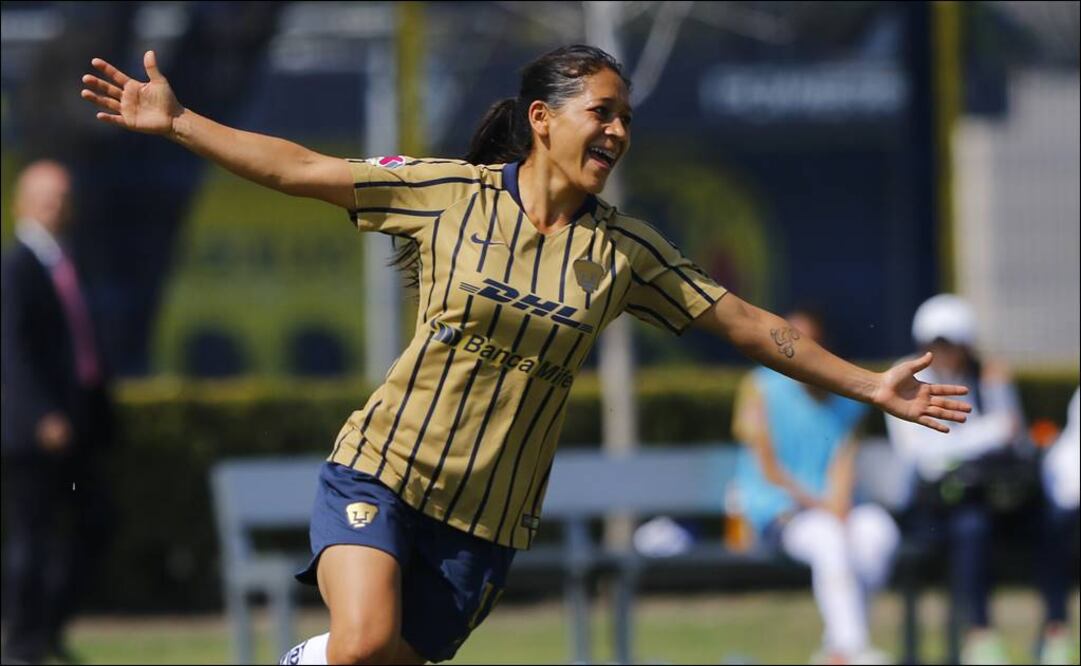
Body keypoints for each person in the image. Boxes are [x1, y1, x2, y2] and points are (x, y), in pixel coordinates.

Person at [81, 45, 971, 665]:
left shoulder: (623, 253)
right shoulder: (442, 192)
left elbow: (743, 322)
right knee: (355, 645)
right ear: (542, 119)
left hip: (485, 526)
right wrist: (180, 122)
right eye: (602, 113)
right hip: (380, 470)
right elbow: (298, 167)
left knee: (384, 661)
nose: (618, 133)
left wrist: (869, 385)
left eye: (626, 118)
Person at [886, 294, 1076, 665]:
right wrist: (987, 435)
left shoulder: (987, 377)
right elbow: (924, 456)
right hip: (939, 510)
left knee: (1049, 522)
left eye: (950, 344)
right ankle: (980, 635)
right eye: (934, 344)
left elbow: (1013, 438)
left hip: (994, 499)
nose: (942, 353)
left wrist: (991, 406)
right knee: (972, 528)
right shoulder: (906, 377)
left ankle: (1056, 632)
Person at [733, 309, 900, 665]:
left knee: (877, 533)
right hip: (778, 514)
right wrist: (826, 508)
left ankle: (837, 649)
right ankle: (853, 650)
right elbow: (770, 471)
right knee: (829, 538)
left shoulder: (848, 396)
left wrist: (837, 506)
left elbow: (844, 465)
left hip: (832, 510)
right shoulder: (758, 388)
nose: (792, 351)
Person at [1, 160, 116, 665]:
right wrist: (40, 413)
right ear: (20, 202)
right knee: (33, 537)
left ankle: (48, 627)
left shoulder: (70, 261)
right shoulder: (17, 266)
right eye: (45, 195)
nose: (56, 204)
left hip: (80, 425)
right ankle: (24, 644)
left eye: (63, 195)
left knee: (95, 524)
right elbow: (13, 351)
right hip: (37, 431)